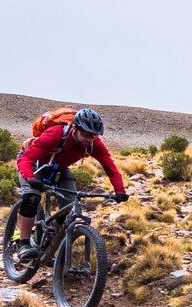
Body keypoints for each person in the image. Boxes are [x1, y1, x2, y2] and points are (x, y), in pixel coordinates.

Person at [12, 108, 127, 266]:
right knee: (32, 197)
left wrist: (120, 191)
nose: (89, 139)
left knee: (69, 209)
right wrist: (30, 178)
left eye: (93, 136)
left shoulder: (94, 144)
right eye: (85, 135)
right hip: (33, 164)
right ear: (75, 128)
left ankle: (50, 243)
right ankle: (23, 244)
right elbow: (26, 159)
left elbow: (110, 168)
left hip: (59, 167)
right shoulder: (56, 134)